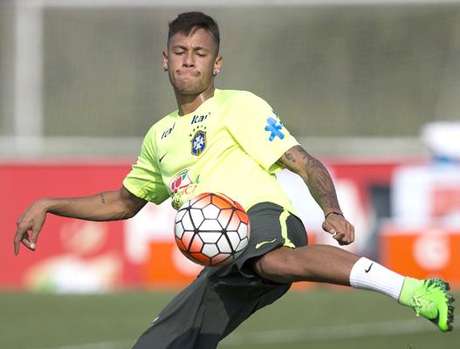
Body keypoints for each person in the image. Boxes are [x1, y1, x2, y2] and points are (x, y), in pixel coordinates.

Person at [14, 11, 454, 349]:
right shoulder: (159, 137)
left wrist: (331, 210)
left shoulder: (238, 107)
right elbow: (121, 203)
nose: (189, 61)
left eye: (200, 53)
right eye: (181, 52)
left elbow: (302, 161)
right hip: (224, 260)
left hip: (263, 219)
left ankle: (413, 290)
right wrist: (50, 202)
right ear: (164, 60)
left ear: (217, 63)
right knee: (158, 344)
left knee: (270, 259)